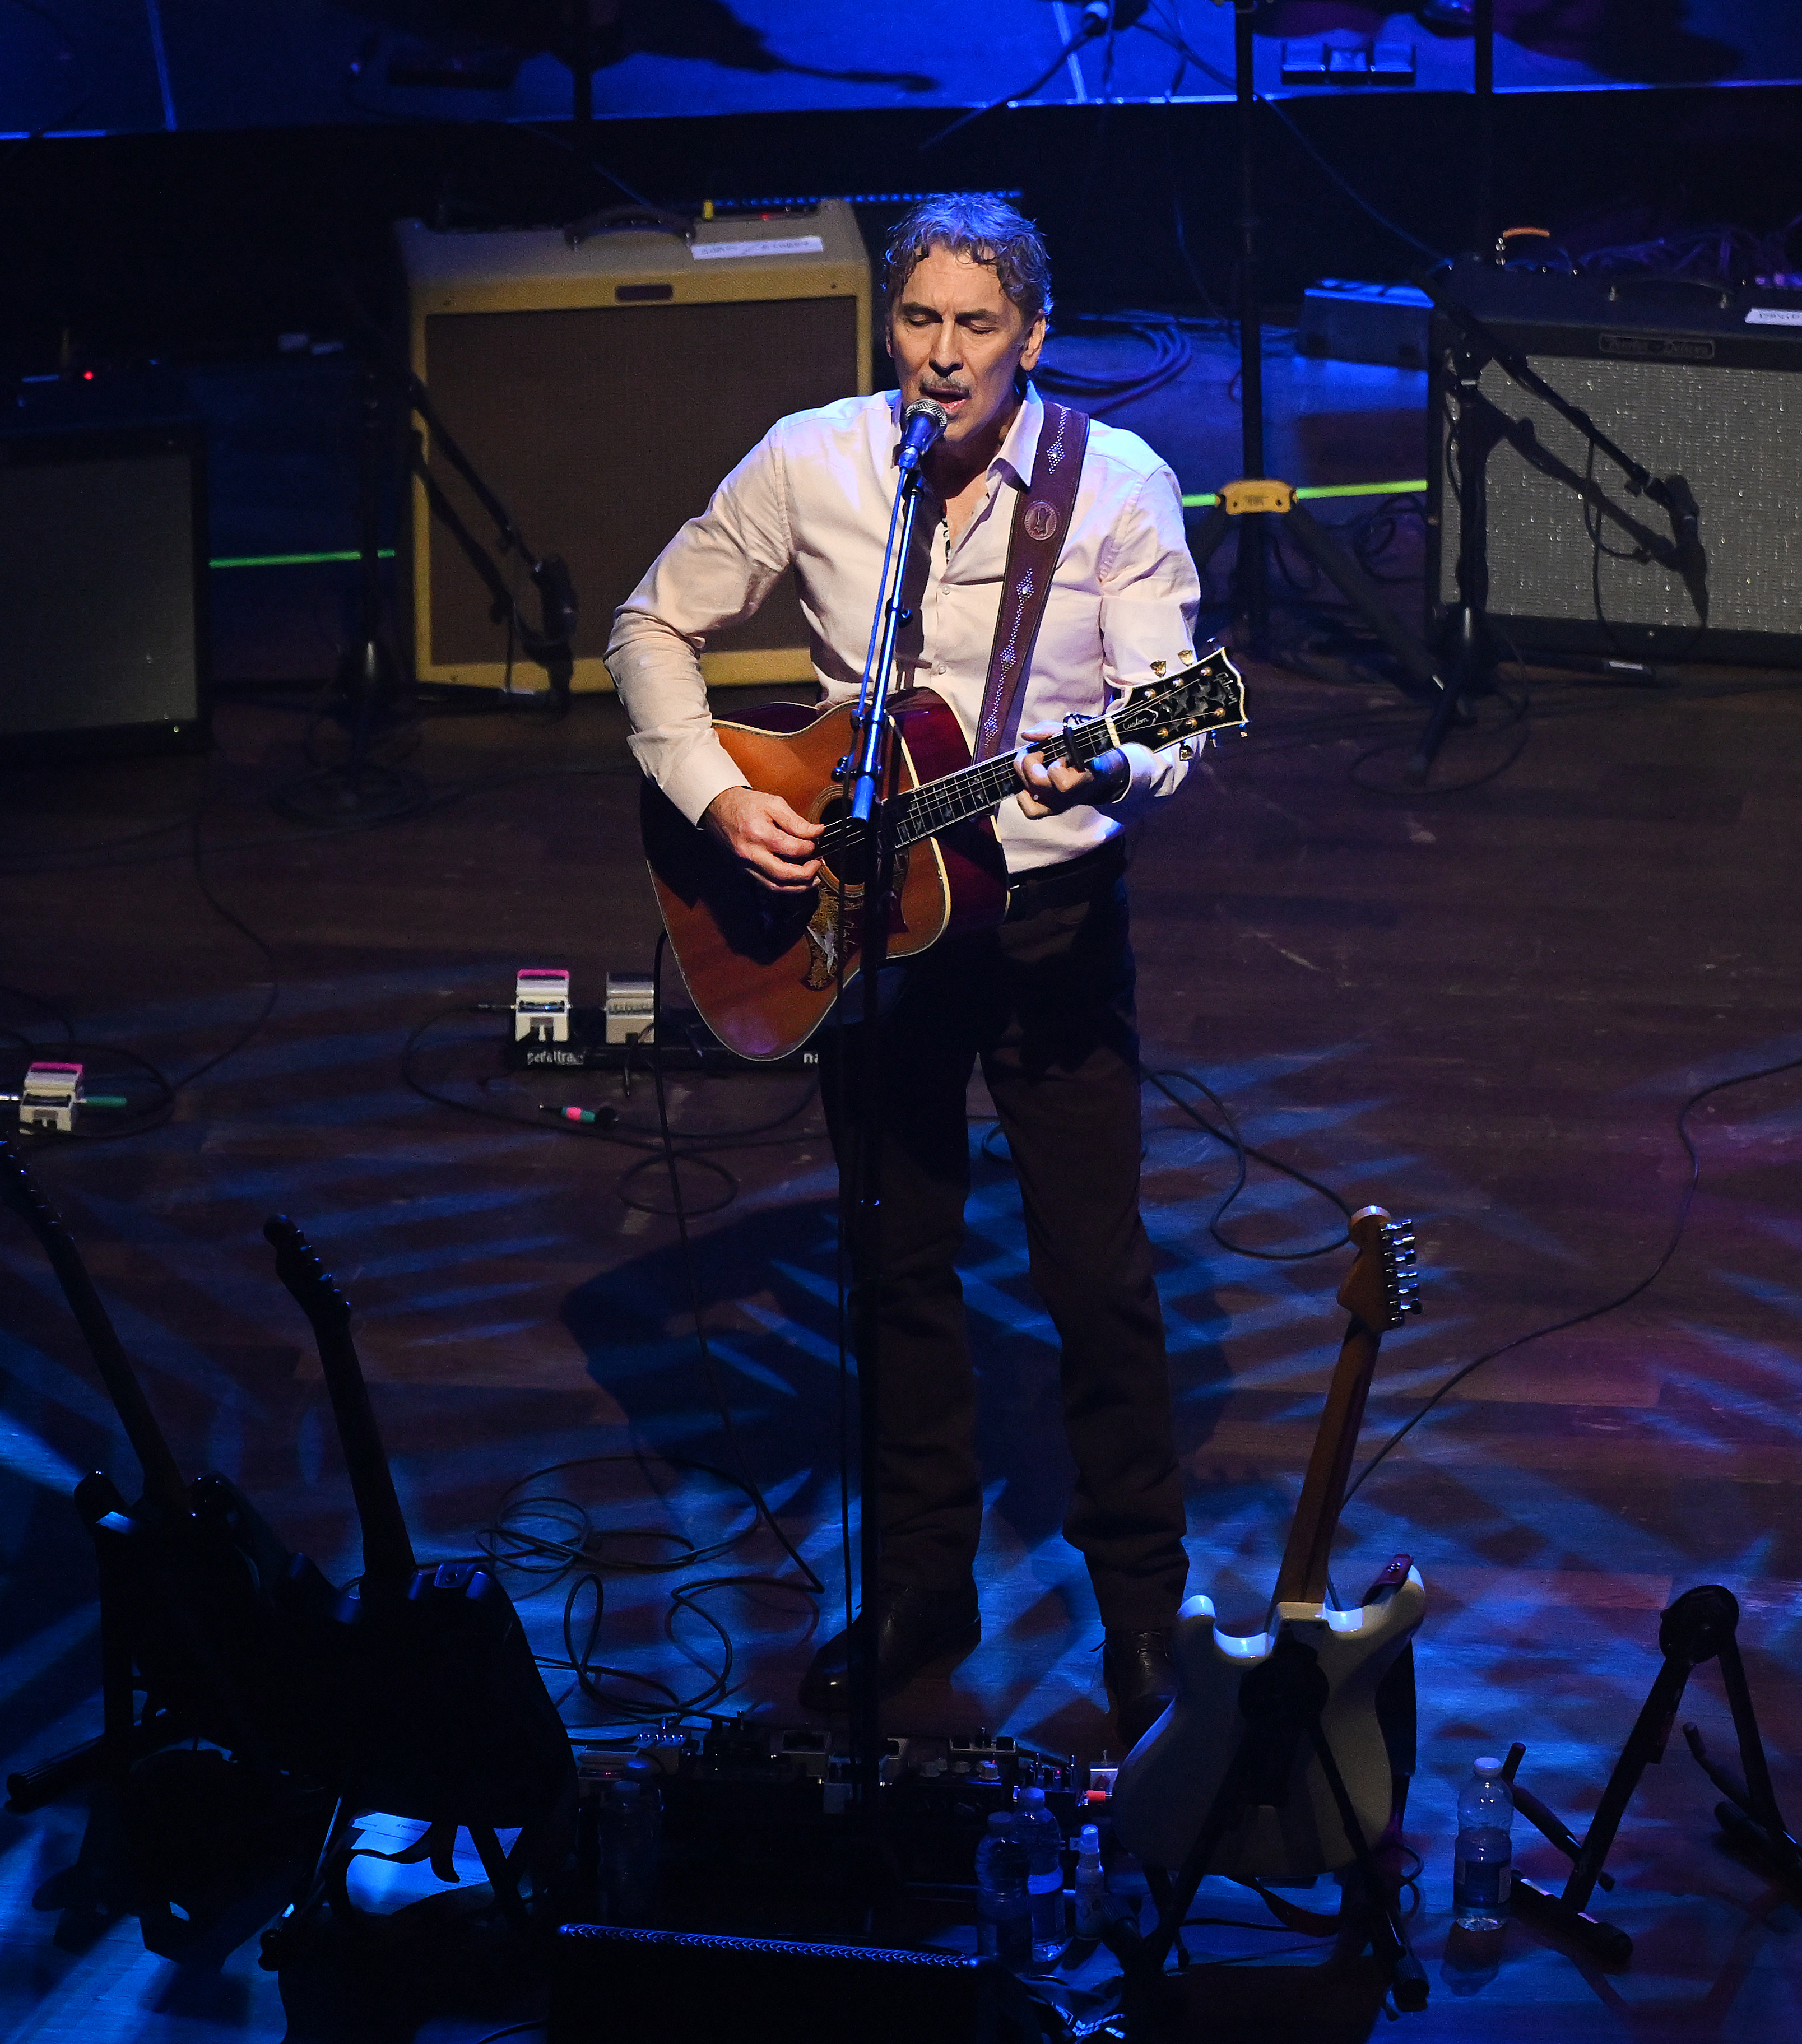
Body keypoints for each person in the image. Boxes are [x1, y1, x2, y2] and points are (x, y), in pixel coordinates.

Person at [605, 194, 1201, 1746]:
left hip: (1052, 926)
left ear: (1035, 339)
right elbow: (651, 625)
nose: (944, 359)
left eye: (977, 328)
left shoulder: (1119, 485)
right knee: (894, 1268)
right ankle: (924, 1587)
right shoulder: (814, 459)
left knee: (1096, 1273)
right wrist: (721, 794)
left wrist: (1112, 771)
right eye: (921, 323)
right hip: (864, 923)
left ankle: (1141, 1608)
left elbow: (1175, 710)